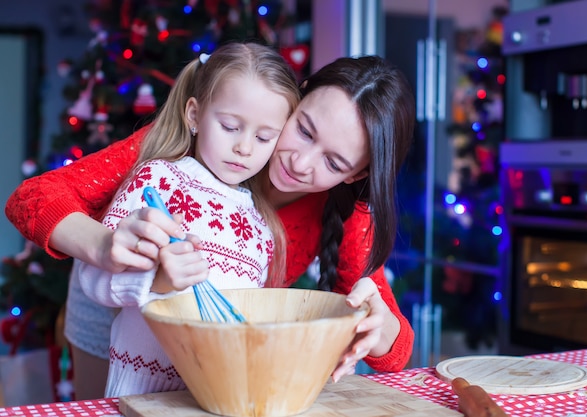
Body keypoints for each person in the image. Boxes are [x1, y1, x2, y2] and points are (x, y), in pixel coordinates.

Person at [6, 53, 416, 399]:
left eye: (334, 163)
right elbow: (33, 198)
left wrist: (377, 329)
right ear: (297, 96)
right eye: (305, 130)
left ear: (354, 176)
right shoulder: (204, 136)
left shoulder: (346, 216)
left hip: (207, 336)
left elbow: (396, 351)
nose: (300, 163)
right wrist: (105, 247)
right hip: (115, 303)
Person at [78, 41, 300, 397]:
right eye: (230, 126)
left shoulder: (260, 227)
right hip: (141, 393)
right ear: (194, 115)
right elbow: (94, 279)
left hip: (216, 394)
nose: (245, 147)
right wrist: (157, 281)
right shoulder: (159, 180)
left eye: (263, 137)